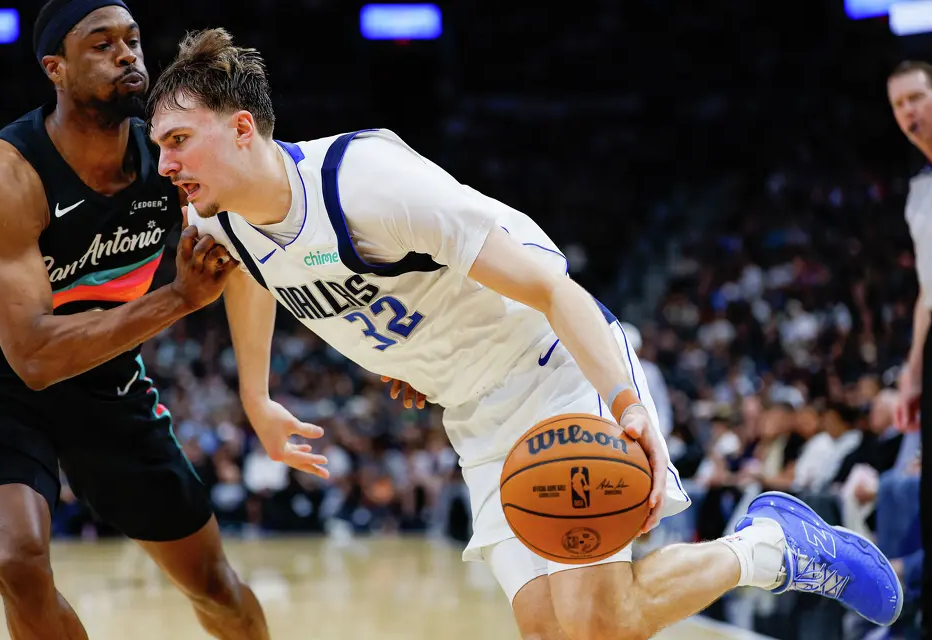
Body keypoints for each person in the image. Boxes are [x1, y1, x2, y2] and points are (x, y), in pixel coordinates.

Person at [148, 27, 903, 639]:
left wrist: (625, 404)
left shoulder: (366, 181)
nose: (165, 162)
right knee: (550, 632)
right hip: (474, 411)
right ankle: (769, 544)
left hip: (554, 364)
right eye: (159, 146)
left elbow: (551, 286)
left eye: (178, 139)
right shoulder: (214, 215)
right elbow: (249, 268)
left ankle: (774, 547)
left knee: (600, 626)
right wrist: (256, 395)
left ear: (242, 128)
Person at [0, 3, 274, 639]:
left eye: (133, 41)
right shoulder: (1, 175)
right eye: (102, 44)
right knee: (15, 561)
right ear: (55, 69)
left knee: (214, 586)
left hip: (107, 375)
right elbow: (32, 356)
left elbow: (258, 254)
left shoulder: (170, 161)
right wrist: (177, 300)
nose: (127, 55)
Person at [888, 58, 932, 638]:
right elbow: (928, 290)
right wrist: (913, 371)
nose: (910, 112)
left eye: (918, 97)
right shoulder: (918, 194)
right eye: (900, 104)